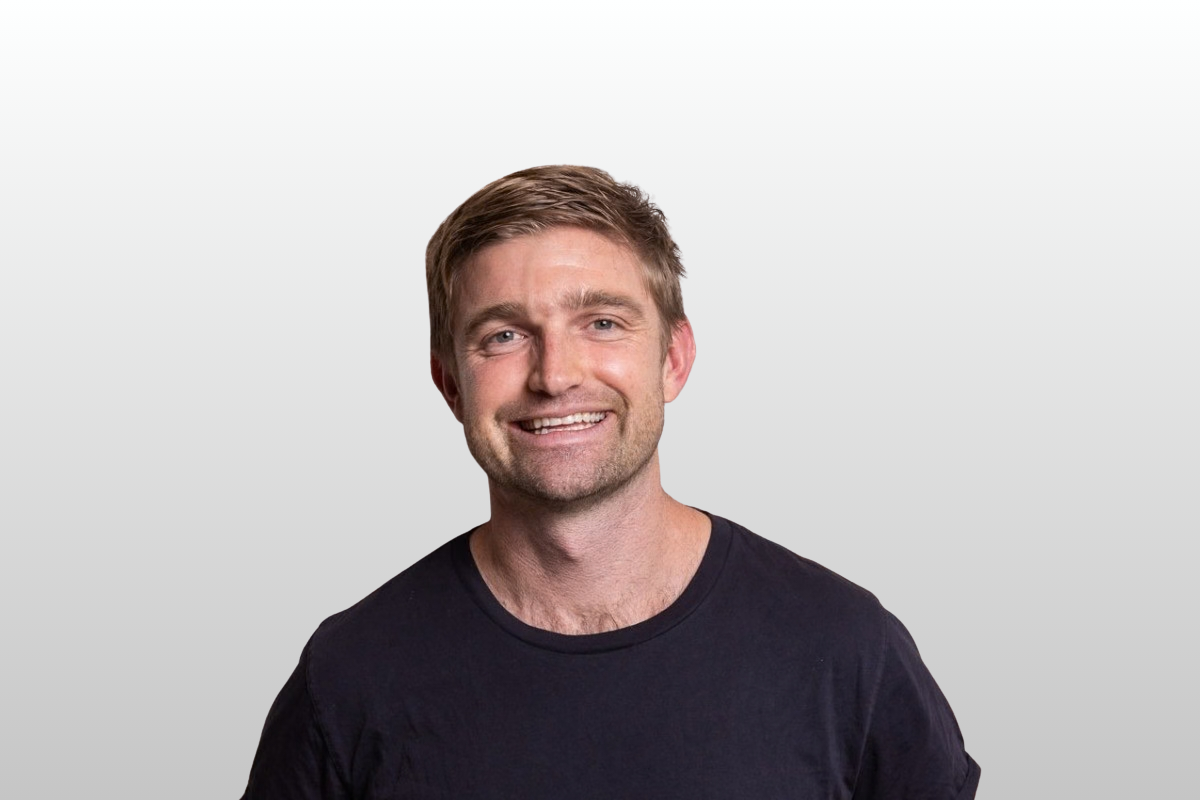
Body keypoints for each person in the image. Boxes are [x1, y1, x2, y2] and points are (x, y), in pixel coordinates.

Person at [240, 165, 981, 799]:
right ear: (451, 385)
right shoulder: (350, 678)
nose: (555, 375)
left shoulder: (845, 650)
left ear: (673, 360)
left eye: (602, 323)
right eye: (504, 335)